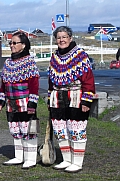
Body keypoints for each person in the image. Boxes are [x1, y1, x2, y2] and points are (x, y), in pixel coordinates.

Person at [48, 26, 95, 173]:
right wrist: (50, 97)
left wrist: (87, 100)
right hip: (58, 98)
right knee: (60, 130)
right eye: (59, 37)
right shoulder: (54, 57)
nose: (61, 40)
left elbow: (88, 80)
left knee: (76, 130)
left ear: (70, 38)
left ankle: (77, 162)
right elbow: (51, 80)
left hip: (76, 97)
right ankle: (66, 159)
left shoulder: (80, 56)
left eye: (64, 37)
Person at [0, 32, 40, 169]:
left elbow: (34, 85)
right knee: (15, 129)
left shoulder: (29, 62)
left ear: (24, 45)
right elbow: (4, 84)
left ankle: (30, 158)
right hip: (11, 102)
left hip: (26, 102)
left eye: (15, 43)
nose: (12, 46)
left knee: (29, 129)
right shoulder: (8, 62)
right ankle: (18, 156)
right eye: (11, 43)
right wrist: (0, 101)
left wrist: (32, 103)